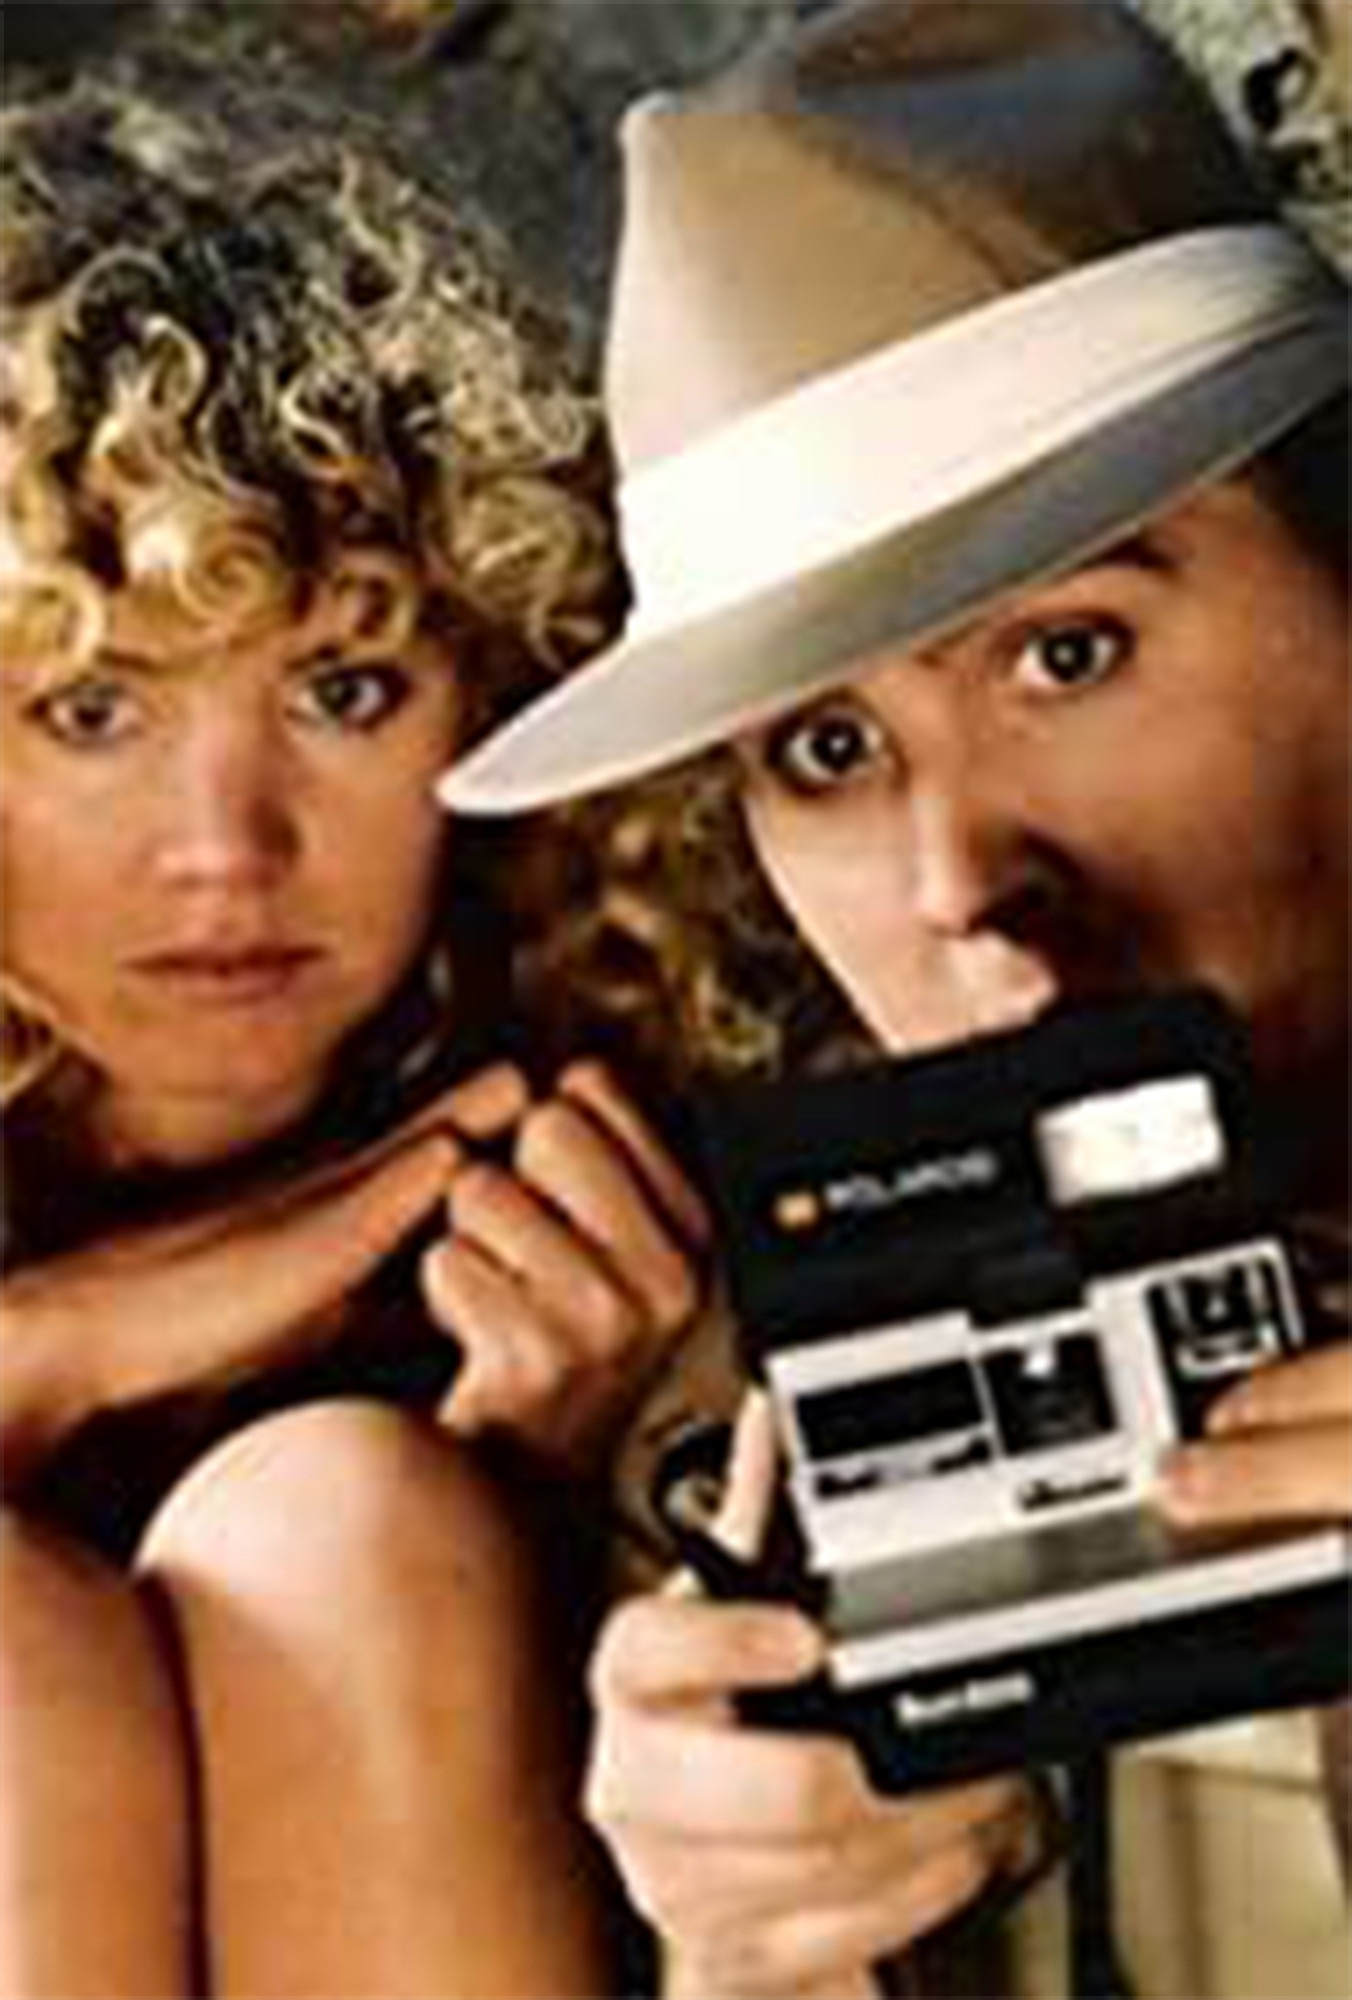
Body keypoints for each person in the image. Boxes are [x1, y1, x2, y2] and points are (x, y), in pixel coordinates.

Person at [440, 2, 1351, 1994]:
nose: (957, 881)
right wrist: (761, 1949)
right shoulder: (742, 1444)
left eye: (1068, 653)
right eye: (827, 751)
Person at [0, 81, 714, 1999]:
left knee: (351, 1529)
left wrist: (520, 1495)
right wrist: (48, 1355)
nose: (227, 848)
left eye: (343, 688)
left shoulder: (617, 1178)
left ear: (499, 699)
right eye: (93, 710)